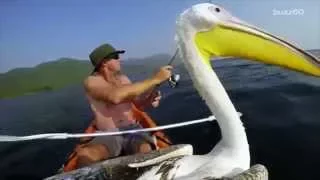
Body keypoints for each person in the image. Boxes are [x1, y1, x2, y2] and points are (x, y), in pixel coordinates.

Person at [76, 43, 173, 168]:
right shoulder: (92, 82)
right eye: (116, 56)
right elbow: (114, 97)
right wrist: (155, 79)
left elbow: (137, 104)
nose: (119, 59)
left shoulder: (124, 80)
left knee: (145, 149)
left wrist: (149, 100)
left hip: (133, 129)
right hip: (108, 134)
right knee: (86, 155)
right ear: (104, 62)